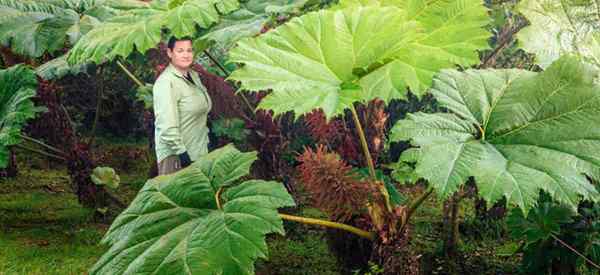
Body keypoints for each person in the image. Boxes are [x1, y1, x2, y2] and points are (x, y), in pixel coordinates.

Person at [153, 36, 212, 175]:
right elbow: (167, 127)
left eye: (189, 50)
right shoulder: (166, 83)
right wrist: (182, 154)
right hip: (177, 157)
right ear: (169, 53)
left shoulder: (194, 76)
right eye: (180, 51)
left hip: (198, 153)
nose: (186, 55)